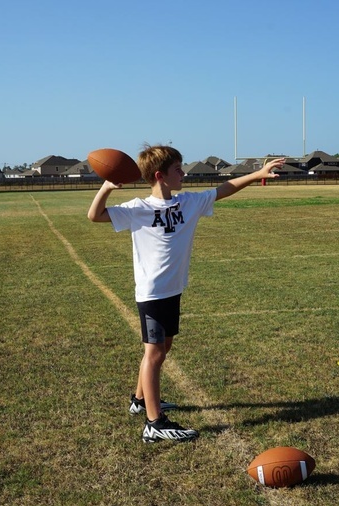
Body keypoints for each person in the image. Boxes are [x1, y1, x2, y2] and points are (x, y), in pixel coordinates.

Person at [87, 145, 284, 443]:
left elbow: (223, 188)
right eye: (178, 169)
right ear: (160, 176)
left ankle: (140, 401)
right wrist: (106, 187)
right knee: (154, 354)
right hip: (152, 293)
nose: (184, 174)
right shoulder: (138, 208)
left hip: (173, 289)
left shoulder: (188, 202)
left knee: (163, 348)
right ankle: (154, 423)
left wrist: (257, 174)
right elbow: (95, 215)